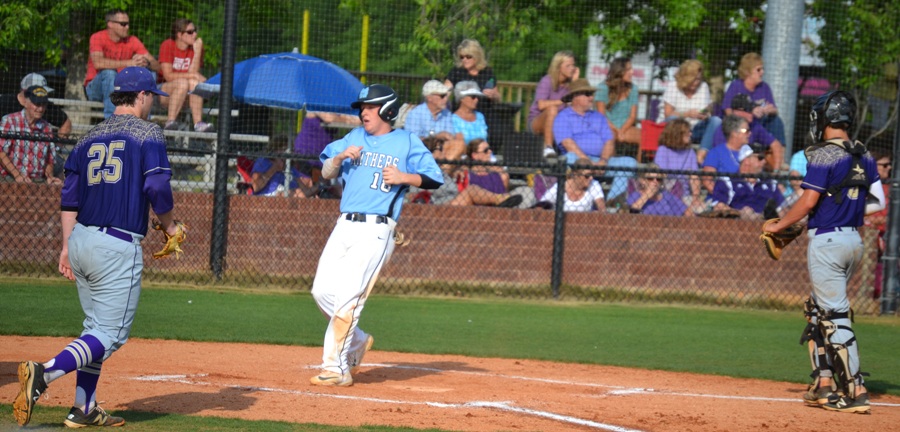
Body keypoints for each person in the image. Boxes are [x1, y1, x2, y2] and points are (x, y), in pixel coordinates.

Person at [12, 67, 179, 428]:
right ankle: (44, 373)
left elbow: (69, 197)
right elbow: (158, 189)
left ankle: (83, 409)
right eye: (152, 97)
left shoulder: (89, 135)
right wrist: (170, 225)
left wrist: (65, 246)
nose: (154, 104)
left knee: (95, 330)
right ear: (141, 97)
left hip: (81, 239)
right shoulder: (148, 132)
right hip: (116, 246)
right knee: (111, 334)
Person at [309, 84, 443, 387]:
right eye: (362, 107)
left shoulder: (406, 141)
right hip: (344, 224)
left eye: (370, 107)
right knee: (320, 291)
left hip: (376, 229)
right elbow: (327, 172)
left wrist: (405, 177)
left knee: (348, 298)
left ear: (388, 110)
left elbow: (436, 178)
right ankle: (356, 341)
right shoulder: (354, 138)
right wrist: (341, 156)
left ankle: (336, 368)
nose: (363, 112)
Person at [764, 91, 884, 414]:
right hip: (853, 243)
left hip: (828, 244)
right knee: (817, 311)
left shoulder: (824, 155)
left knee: (834, 316)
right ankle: (824, 383)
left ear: (824, 121)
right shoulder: (864, 155)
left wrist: (778, 226)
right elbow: (879, 203)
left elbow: (807, 202)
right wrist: (848, 212)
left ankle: (856, 390)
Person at [553, 78, 637, 201]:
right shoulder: (563, 117)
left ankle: (611, 203)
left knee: (630, 163)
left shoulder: (599, 117)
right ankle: (574, 199)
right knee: (569, 158)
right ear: (575, 96)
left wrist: (603, 161)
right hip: (578, 161)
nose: (592, 98)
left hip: (600, 162)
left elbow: (609, 141)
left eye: (591, 94)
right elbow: (568, 144)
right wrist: (587, 163)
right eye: (587, 94)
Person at [85, 9, 159, 119]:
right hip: (96, 89)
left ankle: (143, 122)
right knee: (109, 74)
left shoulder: (132, 40)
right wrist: (130, 63)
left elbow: (157, 66)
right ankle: (114, 124)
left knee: (147, 74)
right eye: (123, 24)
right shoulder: (97, 37)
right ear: (110, 24)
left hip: (122, 91)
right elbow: (98, 63)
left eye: (128, 24)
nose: (127, 27)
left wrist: (145, 62)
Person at [158, 18, 213, 132]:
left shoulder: (195, 48)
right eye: (190, 32)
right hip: (164, 92)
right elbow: (168, 76)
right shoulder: (168, 45)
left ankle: (198, 124)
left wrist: (197, 52)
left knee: (194, 83)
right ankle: (170, 122)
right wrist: (192, 76)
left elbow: (193, 73)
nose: (195, 34)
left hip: (186, 96)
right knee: (183, 83)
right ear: (179, 34)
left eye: (195, 31)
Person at [0, 85, 62, 185]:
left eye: (43, 104)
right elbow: (1, 153)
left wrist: (50, 176)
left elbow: (50, 159)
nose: (41, 109)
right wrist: (18, 175)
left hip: (37, 180)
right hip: (9, 179)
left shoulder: (46, 127)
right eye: (37, 104)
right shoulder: (10, 121)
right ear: (26, 103)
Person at [657, 59, 721, 156]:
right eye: (694, 79)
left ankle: (701, 154)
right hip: (673, 128)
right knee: (673, 119)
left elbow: (705, 110)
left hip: (694, 130)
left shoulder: (703, 87)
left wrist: (705, 115)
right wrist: (687, 114)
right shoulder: (672, 87)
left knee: (716, 121)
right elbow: (668, 114)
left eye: (699, 79)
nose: (697, 82)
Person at [722, 52, 786, 144]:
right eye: (758, 70)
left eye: (763, 69)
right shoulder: (736, 86)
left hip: (760, 124)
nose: (762, 72)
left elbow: (774, 110)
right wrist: (748, 113)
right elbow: (727, 110)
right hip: (741, 124)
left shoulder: (764, 87)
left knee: (776, 121)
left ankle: (780, 151)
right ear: (748, 72)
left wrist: (768, 110)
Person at [708, 144, 783, 220]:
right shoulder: (728, 181)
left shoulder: (770, 183)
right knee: (747, 211)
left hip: (768, 225)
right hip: (738, 224)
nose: (764, 161)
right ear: (746, 160)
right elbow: (719, 207)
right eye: (760, 158)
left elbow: (781, 208)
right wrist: (741, 213)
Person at [712, 93, 784, 171]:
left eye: (752, 109)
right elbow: (722, 157)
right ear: (737, 111)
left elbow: (776, 145)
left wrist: (776, 171)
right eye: (748, 110)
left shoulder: (754, 125)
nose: (752, 113)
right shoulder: (724, 129)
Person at [528, 51, 580, 158]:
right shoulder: (547, 81)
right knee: (552, 109)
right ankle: (548, 147)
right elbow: (541, 105)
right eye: (568, 65)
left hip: (561, 123)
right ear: (559, 67)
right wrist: (563, 101)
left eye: (573, 65)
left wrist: (575, 82)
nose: (572, 68)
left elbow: (577, 106)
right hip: (537, 121)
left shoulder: (569, 85)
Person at [450, 138, 527, 208]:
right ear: (475, 155)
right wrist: (461, 169)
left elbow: (505, 192)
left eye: (490, 149)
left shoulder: (500, 174)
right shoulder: (465, 173)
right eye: (486, 150)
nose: (490, 151)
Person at [403, 80, 466, 159]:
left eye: (446, 96)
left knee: (459, 144)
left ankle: (444, 169)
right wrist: (437, 136)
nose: (446, 99)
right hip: (422, 151)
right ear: (429, 98)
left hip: (443, 150)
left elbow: (450, 137)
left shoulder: (447, 114)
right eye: (442, 96)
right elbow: (412, 140)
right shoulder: (415, 114)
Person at [653, 119, 703, 213]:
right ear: (678, 134)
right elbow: (661, 176)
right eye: (687, 132)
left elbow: (694, 178)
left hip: (685, 196)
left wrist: (696, 198)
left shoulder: (690, 152)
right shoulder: (663, 150)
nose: (690, 134)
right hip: (666, 195)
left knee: (701, 210)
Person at [0, 73, 71, 137]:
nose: (40, 108)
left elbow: (65, 122)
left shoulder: (46, 106)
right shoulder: (4, 102)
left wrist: (58, 146)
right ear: (25, 92)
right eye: (38, 92)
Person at [595, 57, 641, 146]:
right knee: (609, 137)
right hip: (608, 127)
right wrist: (616, 130)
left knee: (645, 137)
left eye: (631, 69)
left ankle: (639, 160)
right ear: (619, 71)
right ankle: (607, 159)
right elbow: (602, 116)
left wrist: (622, 131)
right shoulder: (602, 88)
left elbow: (632, 116)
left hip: (626, 128)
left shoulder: (633, 89)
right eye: (628, 69)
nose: (632, 72)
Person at [864, 150, 891, 300]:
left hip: (886, 235)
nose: (888, 168)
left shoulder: (890, 188)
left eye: (889, 165)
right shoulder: (865, 186)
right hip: (872, 237)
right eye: (884, 165)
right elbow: (870, 219)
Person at [251, 135, 316, 198]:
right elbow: (256, 187)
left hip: (289, 197)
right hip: (266, 196)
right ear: (275, 149)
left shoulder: (290, 168)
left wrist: (320, 185)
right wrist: (275, 168)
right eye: (283, 149)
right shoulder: (264, 161)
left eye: (290, 150)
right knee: (297, 193)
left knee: (310, 196)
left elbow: (306, 192)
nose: (287, 153)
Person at [444, 39, 501, 107]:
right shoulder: (456, 71)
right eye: (462, 57)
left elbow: (498, 98)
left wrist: (493, 95)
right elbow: (446, 91)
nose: (464, 60)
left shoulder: (487, 72)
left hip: (484, 111)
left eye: (468, 57)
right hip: (460, 112)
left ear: (476, 56)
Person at [702, 115, 751, 192]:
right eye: (746, 131)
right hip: (723, 199)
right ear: (735, 133)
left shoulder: (749, 152)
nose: (749, 133)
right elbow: (707, 181)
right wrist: (723, 196)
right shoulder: (716, 153)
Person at [537, 157, 605, 212]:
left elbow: (601, 206)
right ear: (575, 175)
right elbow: (541, 205)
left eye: (592, 175)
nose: (591, 178)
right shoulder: (560, 187)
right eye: (587, 176)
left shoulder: (594, 184)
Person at [451, 81, 489, 146]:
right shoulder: (452, 119)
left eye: (477, 97)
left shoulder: (480, 116)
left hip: (483, 153)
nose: (476, 100)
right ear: (462, 98)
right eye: (473, 97)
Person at [868, 62, 898, 130]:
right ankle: (876, 134)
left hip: (882, 94)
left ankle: (876, 134)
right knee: (880, 117)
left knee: (880, 117)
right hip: (880, 94)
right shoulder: (890, 58)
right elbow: (890, 75)